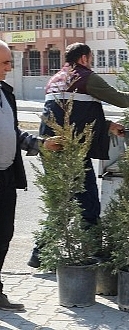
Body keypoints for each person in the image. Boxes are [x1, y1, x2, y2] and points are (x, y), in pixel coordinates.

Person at [27, 42, 129, 268]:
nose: (91, 63)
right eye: (91, 59)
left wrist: (108, 125)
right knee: (88, 200)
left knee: (60, 200)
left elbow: (75, 115)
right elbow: (121, 99)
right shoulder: (85, 76)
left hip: (51, 146)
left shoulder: (54, 80)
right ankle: (93, 252)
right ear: (84, 58)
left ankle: (39, 253)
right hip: (71, 150)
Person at [0, 40, 59, 311]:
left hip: (6, 177)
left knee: (4, 234)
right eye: (4, 63)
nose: (9, 68)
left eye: (10, 62)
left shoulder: (5, 93)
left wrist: (40, 143)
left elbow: (13, 132)